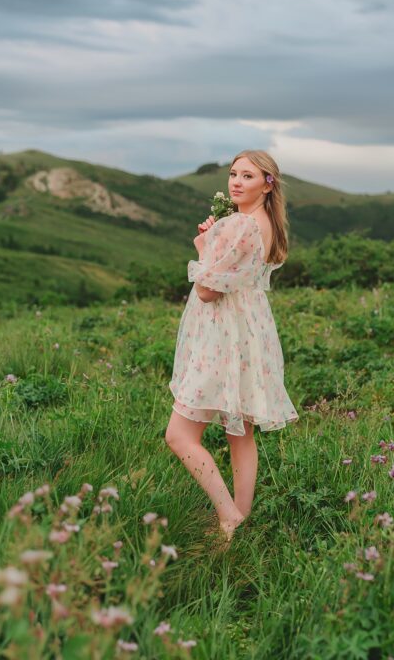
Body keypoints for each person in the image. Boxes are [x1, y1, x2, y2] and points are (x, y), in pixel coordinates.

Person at [165, 150, 298, 541]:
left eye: (248, 176)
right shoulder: (265, 224)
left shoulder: (240, 225)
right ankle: (239, 517)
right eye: (233, 174)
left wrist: (205, 246)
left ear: (267, 184)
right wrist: (217, 238)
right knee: (241, 435)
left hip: (222, 335)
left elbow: (207, 290)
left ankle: (228, 516)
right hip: (250, 334)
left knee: (179, 436)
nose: (236, 182)